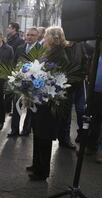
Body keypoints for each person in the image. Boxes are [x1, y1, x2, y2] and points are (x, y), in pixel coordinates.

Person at [27, 27, 69, 181]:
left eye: (46, 35)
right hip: (40, 101)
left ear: (53, 37)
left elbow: (59, 79)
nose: (43, 38)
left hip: (49, 102)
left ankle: (42, 171)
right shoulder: (49, 52)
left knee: (44, 135)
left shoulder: (60, 55)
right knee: (37, 133)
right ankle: (36, 164)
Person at [8, 27, 41, 137]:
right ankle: (14, 130)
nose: (29, 37)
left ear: (37, 37)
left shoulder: (41, 49)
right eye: (28, 35)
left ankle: (26, 129)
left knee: (30, 107)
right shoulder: (20, 48)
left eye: (32, 35)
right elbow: (14, 62)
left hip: (33, 82)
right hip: (19, 81)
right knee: (16, 105)